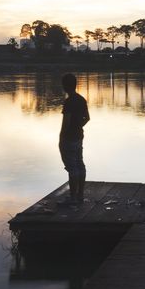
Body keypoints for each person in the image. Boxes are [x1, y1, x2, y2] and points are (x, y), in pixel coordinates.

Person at [58, 73, 90, 205]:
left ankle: (72, 197)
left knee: (72, 168)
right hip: (78, 137)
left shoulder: (69, 102)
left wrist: (61, 137)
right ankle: (80, 195)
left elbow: (66, 122)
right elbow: (87, 118)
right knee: (79, 165)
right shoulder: (81, 99)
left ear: (65, 86)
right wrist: (78, 126)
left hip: (69, 138)